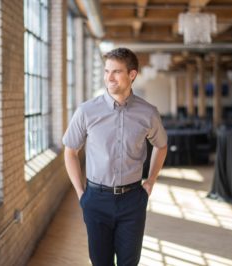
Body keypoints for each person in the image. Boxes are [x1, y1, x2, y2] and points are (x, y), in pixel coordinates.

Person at [62, 47, 168, 266]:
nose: (109, 77)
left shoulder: (148, 112)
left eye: (116, 72)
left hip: (133, 199)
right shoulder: (86, 111)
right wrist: (81, 193)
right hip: (96, 199)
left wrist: (150, 182)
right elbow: (70, 151)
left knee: (129, 262)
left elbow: (162, 146)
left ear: (132, 74)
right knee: (101, 262)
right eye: (106, 71)